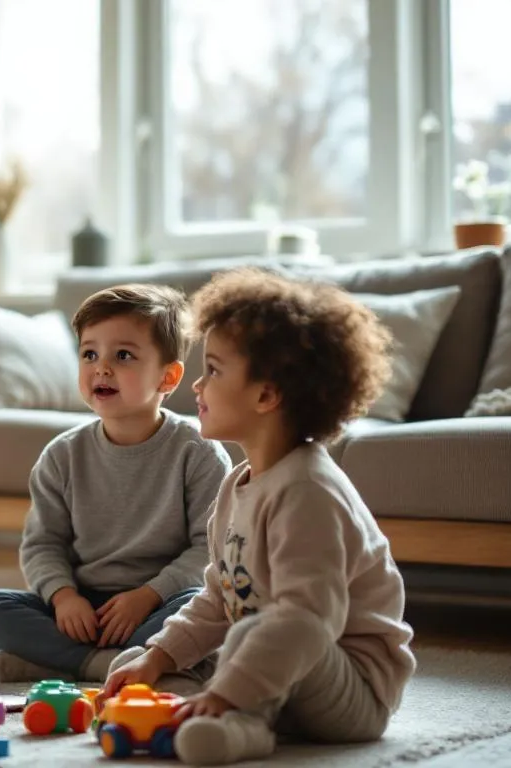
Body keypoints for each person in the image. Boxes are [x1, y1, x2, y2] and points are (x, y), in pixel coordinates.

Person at [103, 268, 417, 766]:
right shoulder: (237, 482)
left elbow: (307, 622)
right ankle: (216, 712)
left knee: (258, 632)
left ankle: (242, 725)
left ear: (267, 395)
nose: (199, 385)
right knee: (141, 662)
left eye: (215, 370)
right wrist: (157, 656)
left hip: (348, 690)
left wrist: (226, 693)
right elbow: (216, 598)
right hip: (277, 662)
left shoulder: (308, 491)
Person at [0, 285, 231, 684]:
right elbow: (43, 544)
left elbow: (209, 551)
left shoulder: (199, 452)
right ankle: (113, 664)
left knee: (209, 607)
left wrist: (148, 596)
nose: (101, 368)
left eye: (122, 355)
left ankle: (57, 663)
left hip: (158, 602)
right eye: (89, 354)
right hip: (85, 609)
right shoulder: (62, 456)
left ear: (168, 376)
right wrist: (63, 598)